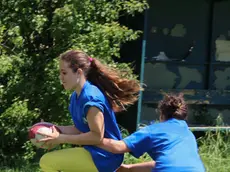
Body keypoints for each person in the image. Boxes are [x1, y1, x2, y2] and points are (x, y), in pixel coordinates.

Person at [36, 50, 142, 172]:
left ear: (78, 73)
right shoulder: (75, 97)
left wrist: (61, 138)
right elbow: (80, 128)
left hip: (105, 156)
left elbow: (96, 136)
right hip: (94, 152)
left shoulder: (91, 98)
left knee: (48, 162)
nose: (61, 77)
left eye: (64, 73)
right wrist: (53, 129)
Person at [99, 93, 206, 172]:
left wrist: (94, 139)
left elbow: (118, 147)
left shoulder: (154, 130)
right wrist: (129, 168)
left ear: (161, 114)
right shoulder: (188, 134)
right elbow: (167, 164)